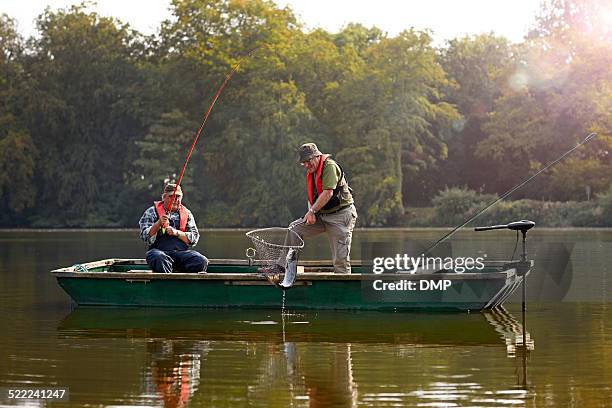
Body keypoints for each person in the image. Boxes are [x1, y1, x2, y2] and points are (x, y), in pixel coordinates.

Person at [290, 143, 357, 274]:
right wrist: (311, 213)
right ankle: (286, 268)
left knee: (340, 260)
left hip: (341, 216)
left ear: (317, 156)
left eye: (308, 161)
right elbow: (313, 198)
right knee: (294, 229)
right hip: (322, 216)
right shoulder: (312, 172)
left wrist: (311, 212)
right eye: (303, 162)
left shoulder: (329, 167)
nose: (306, 165)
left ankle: (343, 289)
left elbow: (328, 193)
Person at [139, 183, 208, 273]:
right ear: (164, 197)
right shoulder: (151, 212)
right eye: (171, 196)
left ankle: (177, 276)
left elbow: (194, 239)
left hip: (181, 254)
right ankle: (169, 279)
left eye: (178, 196)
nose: (175, 199)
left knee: (201, 260)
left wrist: (176, 233)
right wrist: (158, 223)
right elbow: (145, 236)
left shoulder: (187, 213)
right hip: (159, 252)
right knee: (157, 256)